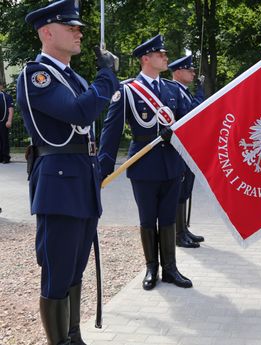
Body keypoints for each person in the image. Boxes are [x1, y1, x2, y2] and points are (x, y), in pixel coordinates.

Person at [16, 0, 119, 344]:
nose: (79, 32)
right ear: (47, 32)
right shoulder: (37, 75)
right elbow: (79, 112)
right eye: (69, 27)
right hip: (59, 187)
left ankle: (74, 338)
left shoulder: (71, 76)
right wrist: (105, 75)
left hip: (81, 181)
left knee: (76, 269)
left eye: (79, 27)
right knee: (58, 273)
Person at [99, 34, 193, 291]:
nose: (165, 57)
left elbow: (189, 124)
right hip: (144, 165)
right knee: (148, 218)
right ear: (145, 59)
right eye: (160, 54)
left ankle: (171, 269)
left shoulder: (173, 90)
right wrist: (102, 168)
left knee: (168, 218)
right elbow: (111, 131)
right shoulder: (127, 90)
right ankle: (152, 267)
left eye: (164, 54)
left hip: (172, 163)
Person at [167, 55, 205, 248]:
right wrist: (200, 91)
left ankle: (183, 230)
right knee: (180, 191)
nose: (193, 73)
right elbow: (194, 111)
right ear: (178, 72)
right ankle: (177, 234)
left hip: (187, 149)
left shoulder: (184, 92)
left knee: (185, 190)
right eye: (189, 70)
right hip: (179, 149)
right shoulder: (174, 91)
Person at [0, 82, 14, 164]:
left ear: (1, 86)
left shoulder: (6, 96)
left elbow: (10, 108)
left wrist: (9, 120)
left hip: (3, 121)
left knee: (4, 139)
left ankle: (5, 157)